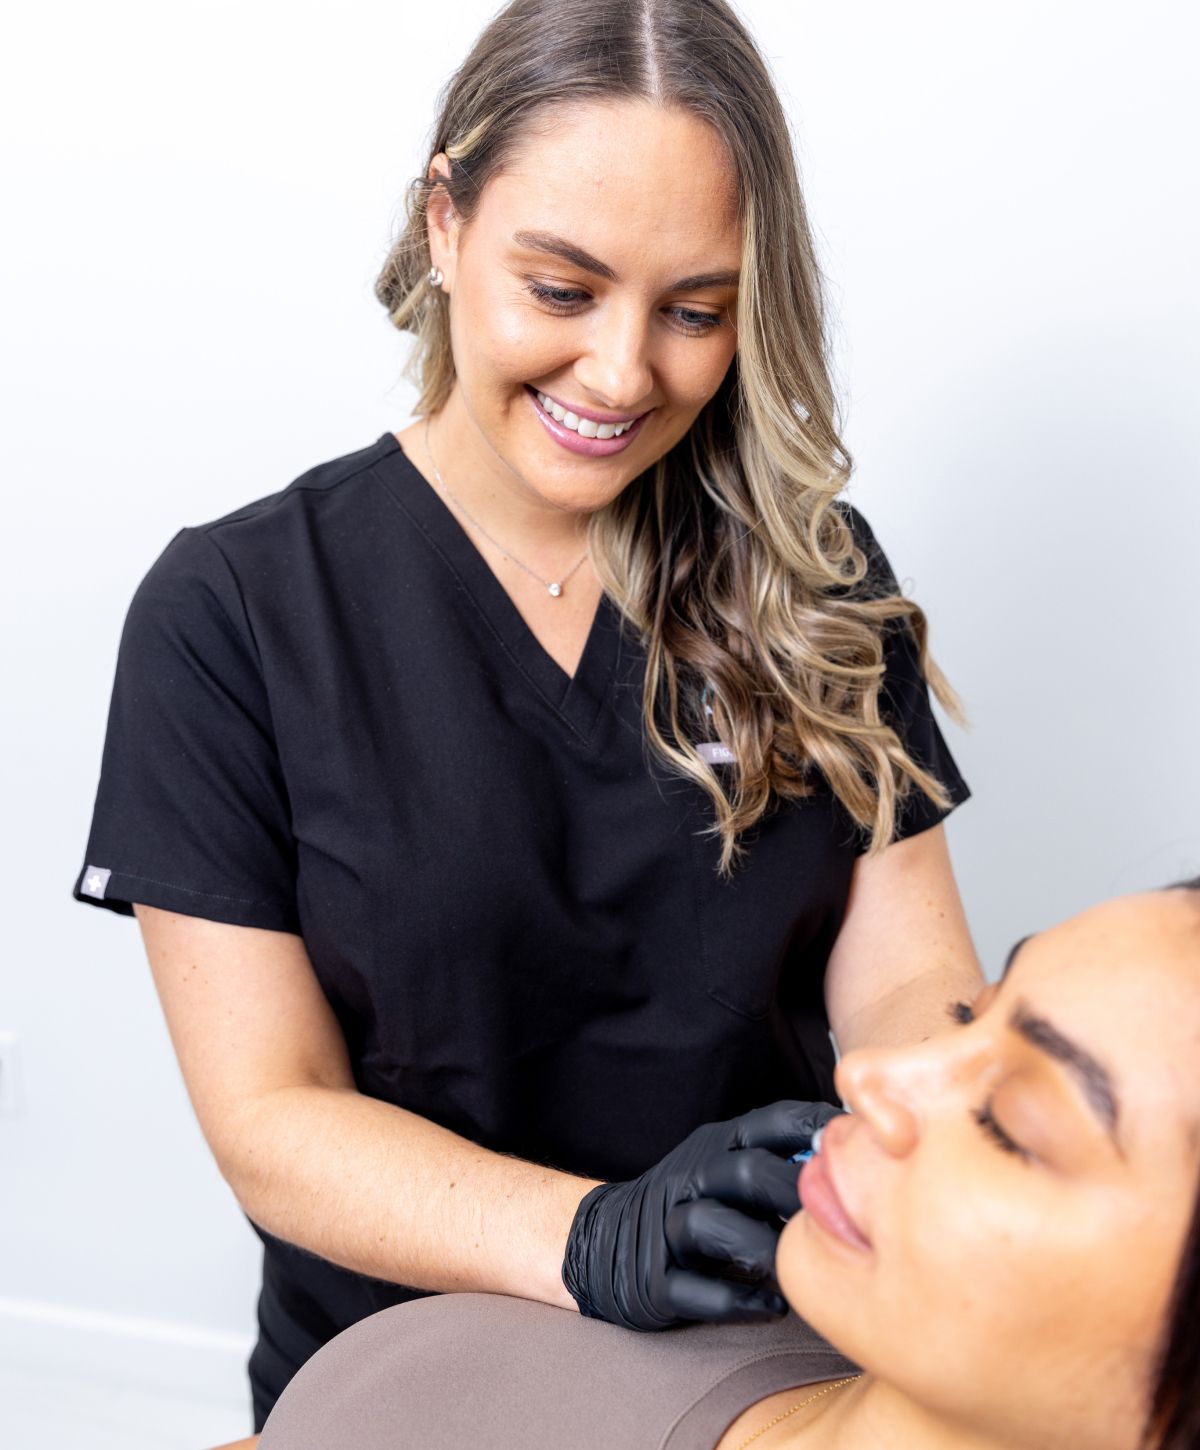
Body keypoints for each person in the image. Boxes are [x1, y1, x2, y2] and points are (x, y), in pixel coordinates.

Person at [72, 0, 983, 1431]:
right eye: (562, 289)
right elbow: (274, 1119)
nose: (624, 374)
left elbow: (906, 991)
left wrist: (969, 1133)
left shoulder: (810, 577)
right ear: (445, 221)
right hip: (416, 1356)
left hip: (772, 1337)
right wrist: (595, 1238)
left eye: (695, 310)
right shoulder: (236, 612)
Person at [244, 877, 1200, 1450]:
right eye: (973, 1011)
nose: (864, 1073)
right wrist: (584, 1238)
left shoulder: (824, 582)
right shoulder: (475, 1362)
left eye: (1011, 1122)